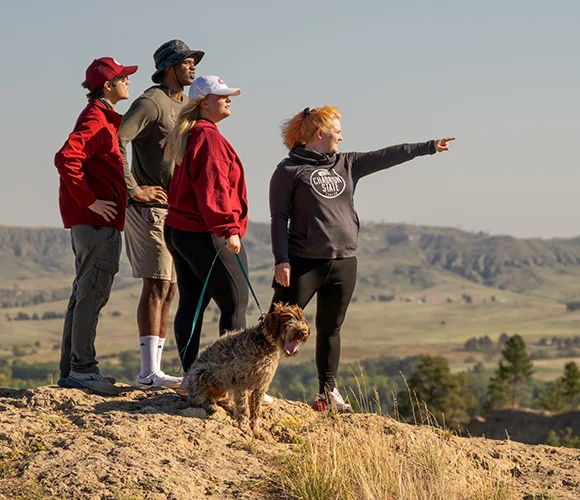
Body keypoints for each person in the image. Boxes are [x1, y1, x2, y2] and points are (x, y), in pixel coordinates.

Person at [269, 105, 455, 412]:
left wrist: (428, 147)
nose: (342, 136)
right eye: (338, 131)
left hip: (344, 261)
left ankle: (327, 394)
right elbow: (278, 218)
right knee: (275, 325)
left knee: (331, 329)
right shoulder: (288, 171)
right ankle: (250, 381)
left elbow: (386, 156)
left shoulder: (347, 163)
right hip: (304, 263)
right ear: (320, 133)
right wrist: (282, 260)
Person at [118, 40, 204, 389]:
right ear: (170, 67)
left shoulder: (184, 105)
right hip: (149, 208)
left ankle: (153, 370)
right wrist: (133, 189)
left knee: (169, 287)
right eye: (186, 62)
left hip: (174, 209)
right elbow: (117, 139)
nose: (192, 67)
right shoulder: (151, 102)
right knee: (156, 284)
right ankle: (147, 373)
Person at [54, 57, 138, 395]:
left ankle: (72, 369)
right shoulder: (95, 119)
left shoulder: (101, 117)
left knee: (83, 292)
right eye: (123, 78)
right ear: (107, 85)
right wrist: (89, 200)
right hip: (96, 222)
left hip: (91, 222)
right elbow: (65, 158)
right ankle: (83, 371)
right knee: (93, 291)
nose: (128, 82)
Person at [163, 75, 249, 397]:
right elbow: (213, 189)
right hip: (205, 232)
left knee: (192, 304)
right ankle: (233, 381)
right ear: (203, 103)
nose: (228, 100)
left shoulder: (192, 134)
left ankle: (191, 380)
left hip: (180, 231)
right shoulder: (208, 138)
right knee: (235, 302)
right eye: (221, 96)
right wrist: (229, 228)